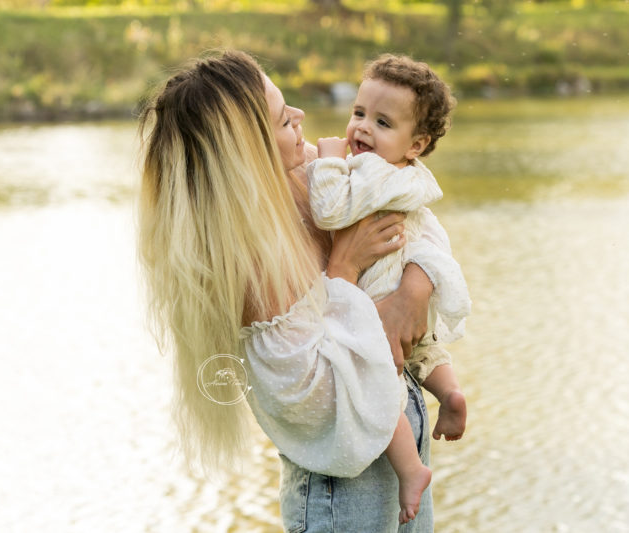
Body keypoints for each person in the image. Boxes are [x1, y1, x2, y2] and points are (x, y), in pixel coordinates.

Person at [137, 50, 450, 532]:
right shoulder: (245, 259)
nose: (302, 119)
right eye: (285, 119)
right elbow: (317, 398)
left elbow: (411, 207)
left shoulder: (305, 171)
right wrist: (344, 266)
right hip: (344, 483)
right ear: (248, 151)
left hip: (400, 432)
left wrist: (414, 289)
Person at [307, 54, 471, 523]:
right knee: (426, 352)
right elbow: (436, 240)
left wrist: (331, 162)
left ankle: (409, 468)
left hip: (377, 299)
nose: (361, 128)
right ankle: (451, 392)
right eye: (359, 113)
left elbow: (329, 211)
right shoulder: (411, 178)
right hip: (407, 297)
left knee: (380, 384)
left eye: (382, 122)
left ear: (416, 143)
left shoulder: (370, 173)